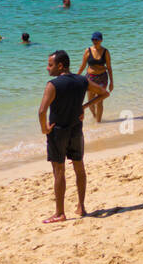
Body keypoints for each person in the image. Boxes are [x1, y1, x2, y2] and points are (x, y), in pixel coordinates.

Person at [39, 49, 96, 223]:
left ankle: (60, 213)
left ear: (60, 65)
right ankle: (81, 206)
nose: (48, 68)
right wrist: (83, 108)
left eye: (50, 65)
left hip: (58, 132)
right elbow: (104, 93)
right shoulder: (82, 80)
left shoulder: (53, 85)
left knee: (59, 171)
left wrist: (44, 129)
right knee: (79, 167)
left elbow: (42, 111)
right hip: (76, 129)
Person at [78, 32, 113, 123]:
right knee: (90, 101)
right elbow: (82, 66)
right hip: (90, 78)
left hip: (102, 78)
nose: (94, 41)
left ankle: (98, 122)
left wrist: (112, 82)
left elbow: (109, 67)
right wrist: (76, 77)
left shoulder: (105, 52)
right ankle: (94, 115)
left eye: (96, 39)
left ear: (101, 40)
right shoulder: (88, 51)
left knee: (100, 101)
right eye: (93, 39)